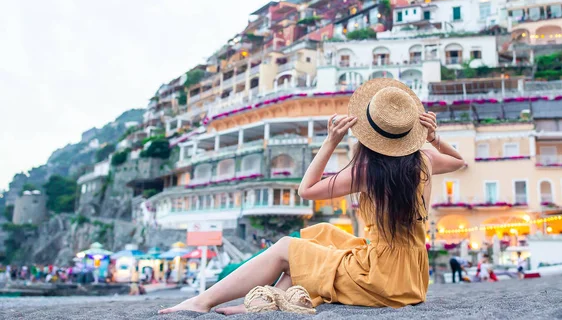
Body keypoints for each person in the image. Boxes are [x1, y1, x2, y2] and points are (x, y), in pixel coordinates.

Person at [159, 78, 465, 314]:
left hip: (380, 280)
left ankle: (202, 302)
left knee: (285, 248)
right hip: (411, 279)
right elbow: (459, 162)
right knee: (322, 233)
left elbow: (306, 190)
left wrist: (331, 141)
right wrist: (435, 139)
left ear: (371, 134)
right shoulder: (424, 159)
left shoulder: (366, 172)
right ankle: (272, 300)